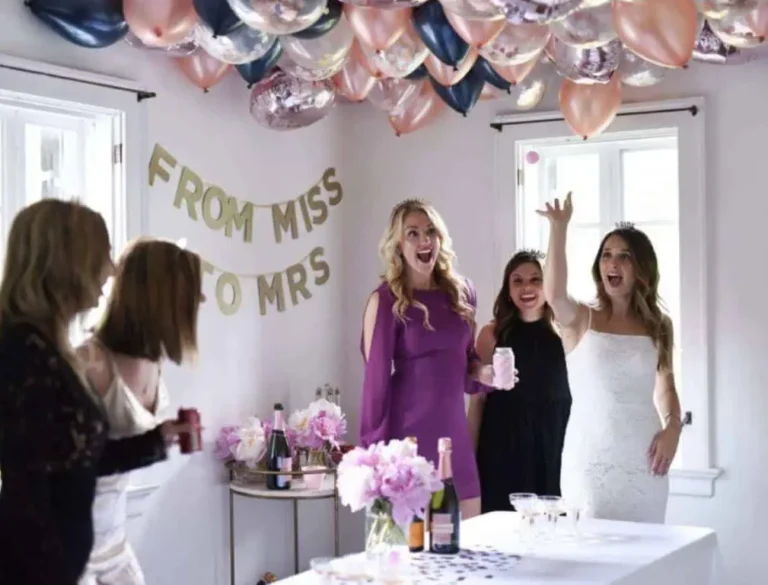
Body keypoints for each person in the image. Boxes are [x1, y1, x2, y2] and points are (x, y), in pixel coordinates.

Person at [0, 200, 197, 585]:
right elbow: (31, 496)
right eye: (103, 255)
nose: (112, 269)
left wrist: (157, 440)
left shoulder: (47, 350)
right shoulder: (24, 354)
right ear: (67, 264)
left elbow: (79, 462)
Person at [360, 198, 513, 520]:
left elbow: (465, 362)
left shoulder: (462, 292)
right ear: (398, 245)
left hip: (454, 435)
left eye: (430, 231)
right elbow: (375, 387)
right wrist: (374, 460)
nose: (424, 240)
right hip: (407, 441)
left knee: (468, 538)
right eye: (412, 233)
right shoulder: (385, 300)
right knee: (413, 546)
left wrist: (484, 374)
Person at [539, 193, 682, 523]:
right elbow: (554, 294)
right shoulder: (581, 319)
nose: (612, 264)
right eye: (606, 255)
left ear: (641, 268)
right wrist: (559, 227)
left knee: (647, 550)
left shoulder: (658, 325)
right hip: (591, 462)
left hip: (645, 462)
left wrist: (673, 430)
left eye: (624, 257)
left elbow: (666, 388)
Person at [76, 239, 204, 585]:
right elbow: (72, 461)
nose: (200, 301)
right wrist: (155, 441)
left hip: (114, 543)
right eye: (188, 294)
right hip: (71, 547)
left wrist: (166, 435)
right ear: (157, 298)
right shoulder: (88, 364)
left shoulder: (153, 360)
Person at [469, 250, 571, 513]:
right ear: (508, 289)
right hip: (502, 450)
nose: (527, 287)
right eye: (518, 281)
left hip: (553, 451)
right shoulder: (491, 334)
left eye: (536, 279)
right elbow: (477, 402)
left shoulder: (565, 334)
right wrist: (468, 457)